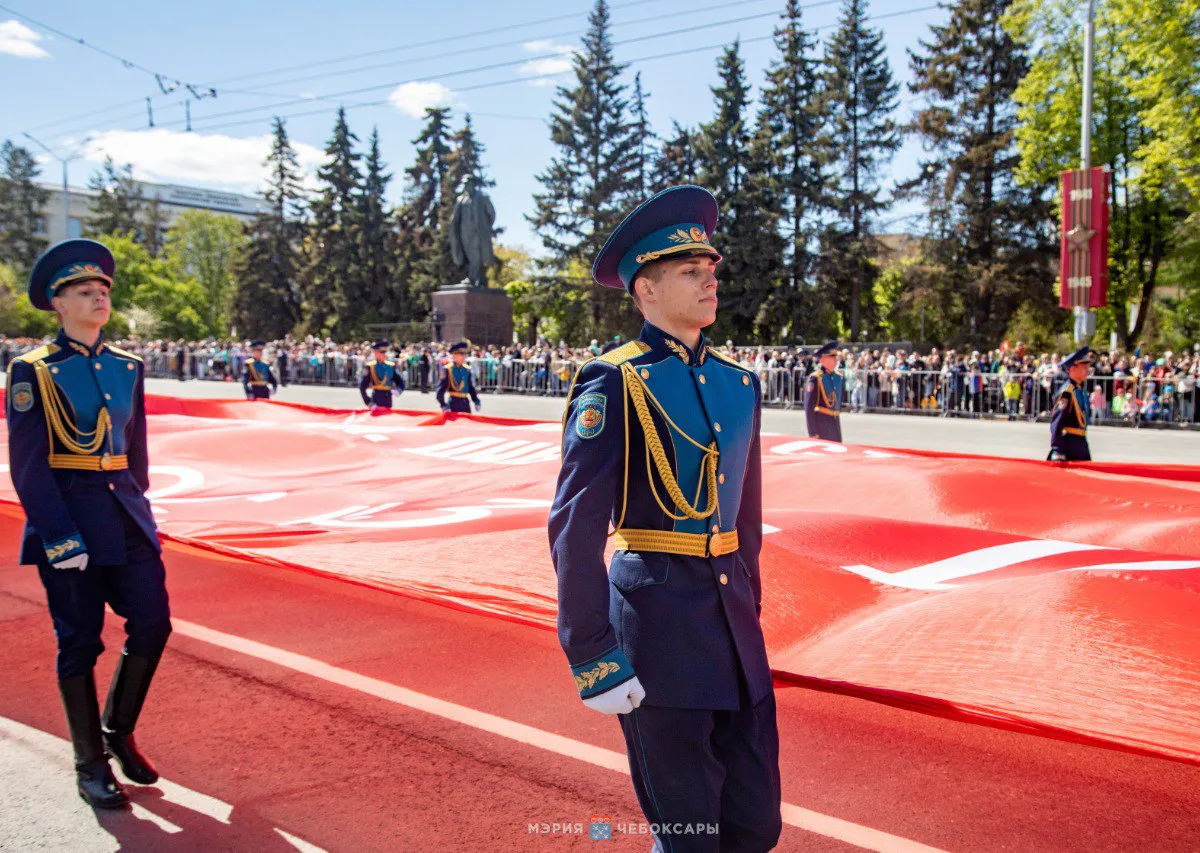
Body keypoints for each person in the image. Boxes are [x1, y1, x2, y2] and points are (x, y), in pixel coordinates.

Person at [549, 186, 782, 852]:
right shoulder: (615, 381)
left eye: (710, 268)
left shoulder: (740, 382)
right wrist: (593, 652)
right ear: (645, 290)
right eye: (689, 270)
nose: (710, 279)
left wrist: (748, 608)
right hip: (657, 630)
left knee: (754, 826)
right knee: (690, 835)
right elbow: (575, 527)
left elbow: (746, 521)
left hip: (732, 628)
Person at [6, 239, 172, 808]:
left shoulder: (128, 366)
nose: (99, 298)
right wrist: (59, 536)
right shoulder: (33, 370)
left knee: (152, 623)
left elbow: (135, 449)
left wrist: (139, 507)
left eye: (102, 290)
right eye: (84, 291)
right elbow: (29, 466)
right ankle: (89, 762)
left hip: (124, 515)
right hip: (70, 519)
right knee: (79, 641)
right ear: (58, 304)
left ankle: (117, 730)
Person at [1049, 346, 1094, 462]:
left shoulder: (1078, 389)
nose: (1087, 371)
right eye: (1084, 368)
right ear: (1073, 369)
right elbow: (1057, 422)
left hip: (1080, 444)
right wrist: (1057, 449)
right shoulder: (1067, 392)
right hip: (1069, 445)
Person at [804, 341, 843, 442]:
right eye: (832, 357)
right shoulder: (816, 378)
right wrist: (812, 432)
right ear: (823, 359)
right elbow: (809, 407)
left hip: (835, 424)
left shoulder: (838, 377)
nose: (836, 360)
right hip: (821, 425)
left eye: (835, 357)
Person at [435, 341, 481, 414]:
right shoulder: (448, 369)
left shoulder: (467, 369)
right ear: (454, 356)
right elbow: (440, 390)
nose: (464, 357)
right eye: (461, 354)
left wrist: (476, 400)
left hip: (466, 404)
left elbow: (470, 387)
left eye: (464, 354)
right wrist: (443, 405)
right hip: (453, 404)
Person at [358, 340, 404, 410]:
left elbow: (400, 382)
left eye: (385, 352)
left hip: (388, 401)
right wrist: (369, 403)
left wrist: (398, 390)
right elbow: (362, 386)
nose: (384, 354)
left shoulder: (390, 366)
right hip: (376, 400)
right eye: (382, 352)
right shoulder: (371, 367)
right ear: (375, 353)